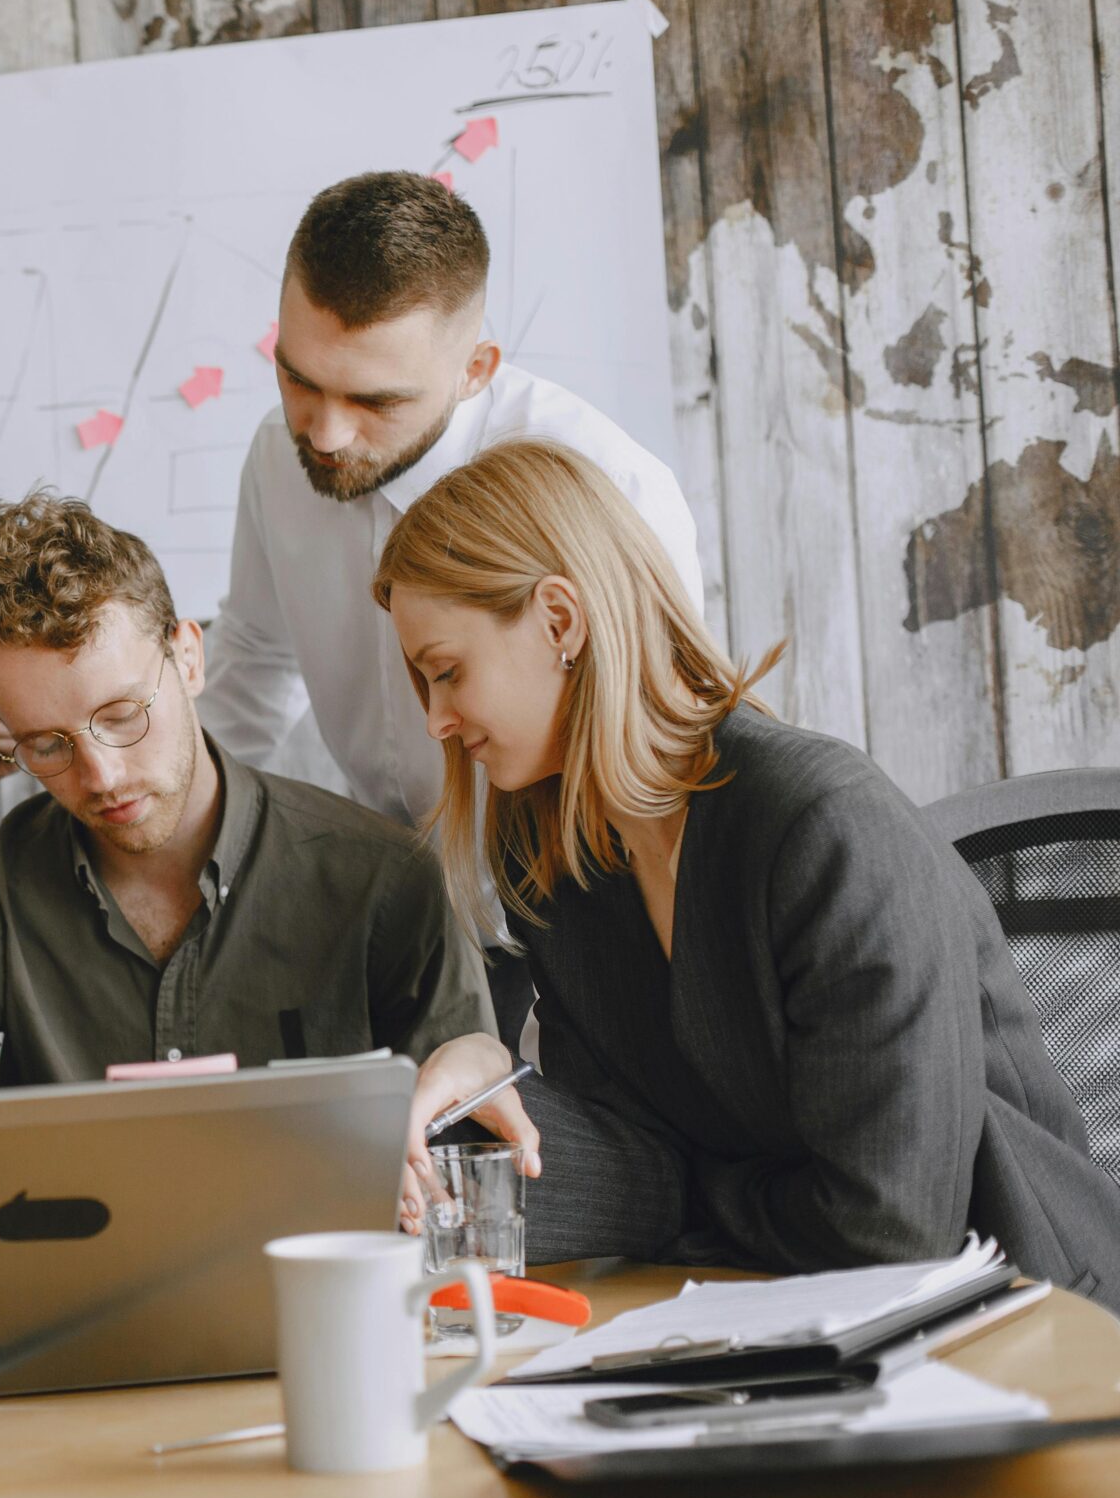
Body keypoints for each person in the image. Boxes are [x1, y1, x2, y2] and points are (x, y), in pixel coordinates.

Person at [0, 173, 706, 1045]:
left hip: (587, 936)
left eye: (375, 402)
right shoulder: (278, 463)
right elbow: (255, 667)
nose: (324, 432)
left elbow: (660, 764)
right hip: (391, 929)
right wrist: (132, 775)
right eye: (299, 378)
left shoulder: (610, 492)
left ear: (476, 369)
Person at [374, 439, 1120, 1306]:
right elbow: (631, 1168)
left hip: (1023, 1315)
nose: (435, 720)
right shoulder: (547, 854)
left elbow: (889, 1230)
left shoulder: (823, 827)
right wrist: (488, 1084)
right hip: (774, 1307)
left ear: (559, 621)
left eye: (447, 673)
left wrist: (688, 1191)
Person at [0, 490, 492, 1097]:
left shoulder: (384, 878)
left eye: (122, 716)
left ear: (190, 659)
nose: (101, 776)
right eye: (48, 745)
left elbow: (468, 1145)